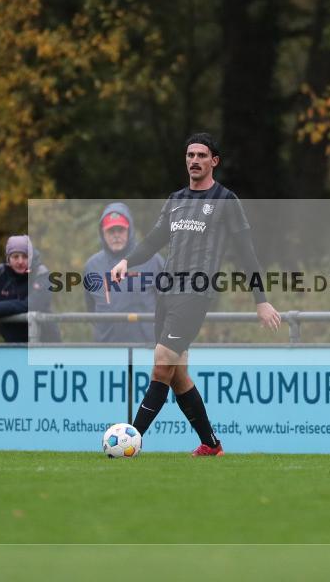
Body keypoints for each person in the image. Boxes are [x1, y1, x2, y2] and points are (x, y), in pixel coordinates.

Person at [111, 133, 281, 456]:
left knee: (161, 365)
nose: (194, 161)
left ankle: (129, 442)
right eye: (190, 155)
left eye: (201, 155)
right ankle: (212, 445)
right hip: (168, 293)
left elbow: (247, 253)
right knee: (177, 376)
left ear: (214, 161)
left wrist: (261, 300)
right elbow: (152, 241)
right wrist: (126, 262)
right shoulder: (175, 200)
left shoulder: (226, 201)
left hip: (196, 293)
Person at [83, 203, 164, 343]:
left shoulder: (153, 260)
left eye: (120, 229)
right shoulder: (92, 266)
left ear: (129, 230)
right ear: (102, 233)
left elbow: (167, 304)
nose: (116, 235)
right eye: (111, 231)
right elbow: (91, 308)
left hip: (147, 347)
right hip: (107, 349)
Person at [0, 235, 61, 343]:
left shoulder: (42, 273)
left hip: (46, 344)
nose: (20, 261)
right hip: (13, 344)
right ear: (8, 258)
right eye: (15, 257)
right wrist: (19, 305)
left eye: (25, 256)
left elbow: (32, 305)